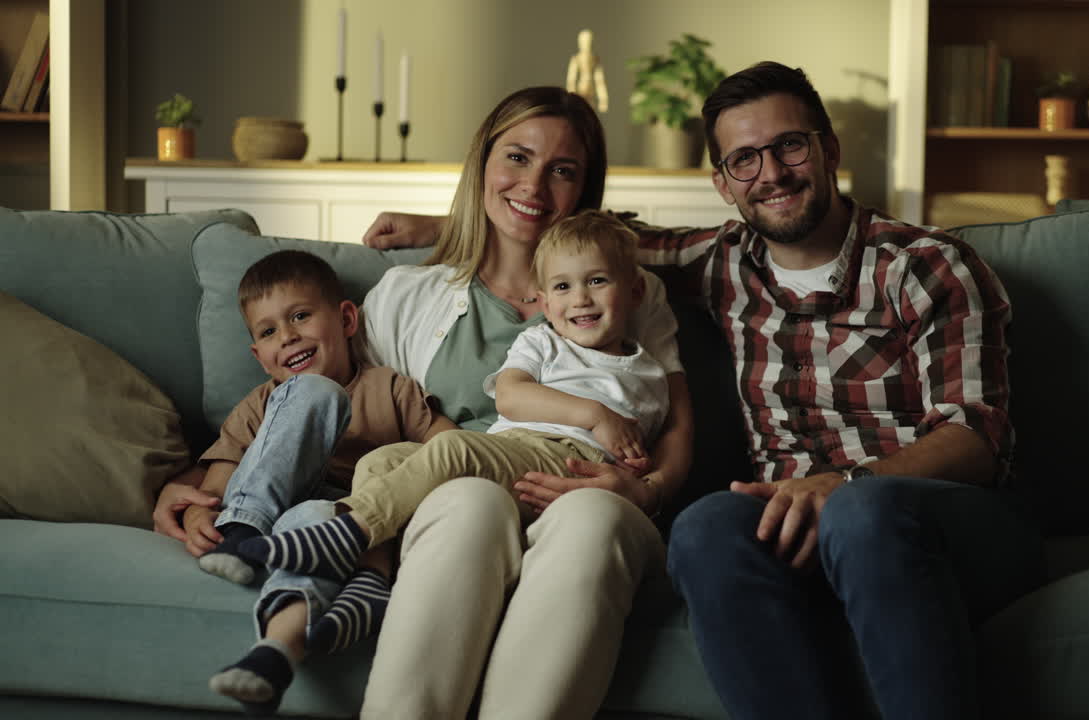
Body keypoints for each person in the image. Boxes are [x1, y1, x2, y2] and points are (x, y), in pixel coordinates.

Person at [363, 63, 1043, 720]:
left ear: (829, 149)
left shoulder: (926, 265)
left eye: (790, 146)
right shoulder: (724, 261)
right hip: (785, 514)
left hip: (926, 509)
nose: (771, 173)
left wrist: (846, 484)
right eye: (744, 159)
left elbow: (977, 436)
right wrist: (452, 227)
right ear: (722, 183)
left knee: (860, 515)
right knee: (704, 527)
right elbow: (596, 242)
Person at [359, 85, 692, 719]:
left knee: (591, 517)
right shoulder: (404, 294)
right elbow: (340, 409)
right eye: (516, 157)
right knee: (470, 501)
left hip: (596, 491)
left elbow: (675, 422)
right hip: (461, 500)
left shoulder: (632, 289)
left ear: (584, 189)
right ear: (481, 162)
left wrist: (646, 491)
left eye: (562, 171)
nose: (534, 185)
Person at [242, 211, 670, 587]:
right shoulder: (542, 340)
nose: (580, 299)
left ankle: (343, 530)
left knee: (453, 448)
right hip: (510, 447)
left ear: (635, 292)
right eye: (563, 286)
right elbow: (509, 395)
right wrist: (594, 414)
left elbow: (642, 450)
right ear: (544, 301)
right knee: (382, 461)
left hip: (569, 459)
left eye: (597, 281)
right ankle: (370, 578)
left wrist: (638, 474)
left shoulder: (647, 373)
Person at [179, 250, 455, 714]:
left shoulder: (390, 388)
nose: (287, 336)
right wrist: (196, 514)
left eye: (300, 316)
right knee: (308, 392)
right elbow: (217, 484)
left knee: (317, 517)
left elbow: (450, 449)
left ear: (346, 319)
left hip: (342, 523)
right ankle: (242, 535)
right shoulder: (260, 405)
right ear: (260, 357)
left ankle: (277, 651)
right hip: (265, 512)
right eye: (268, 332)